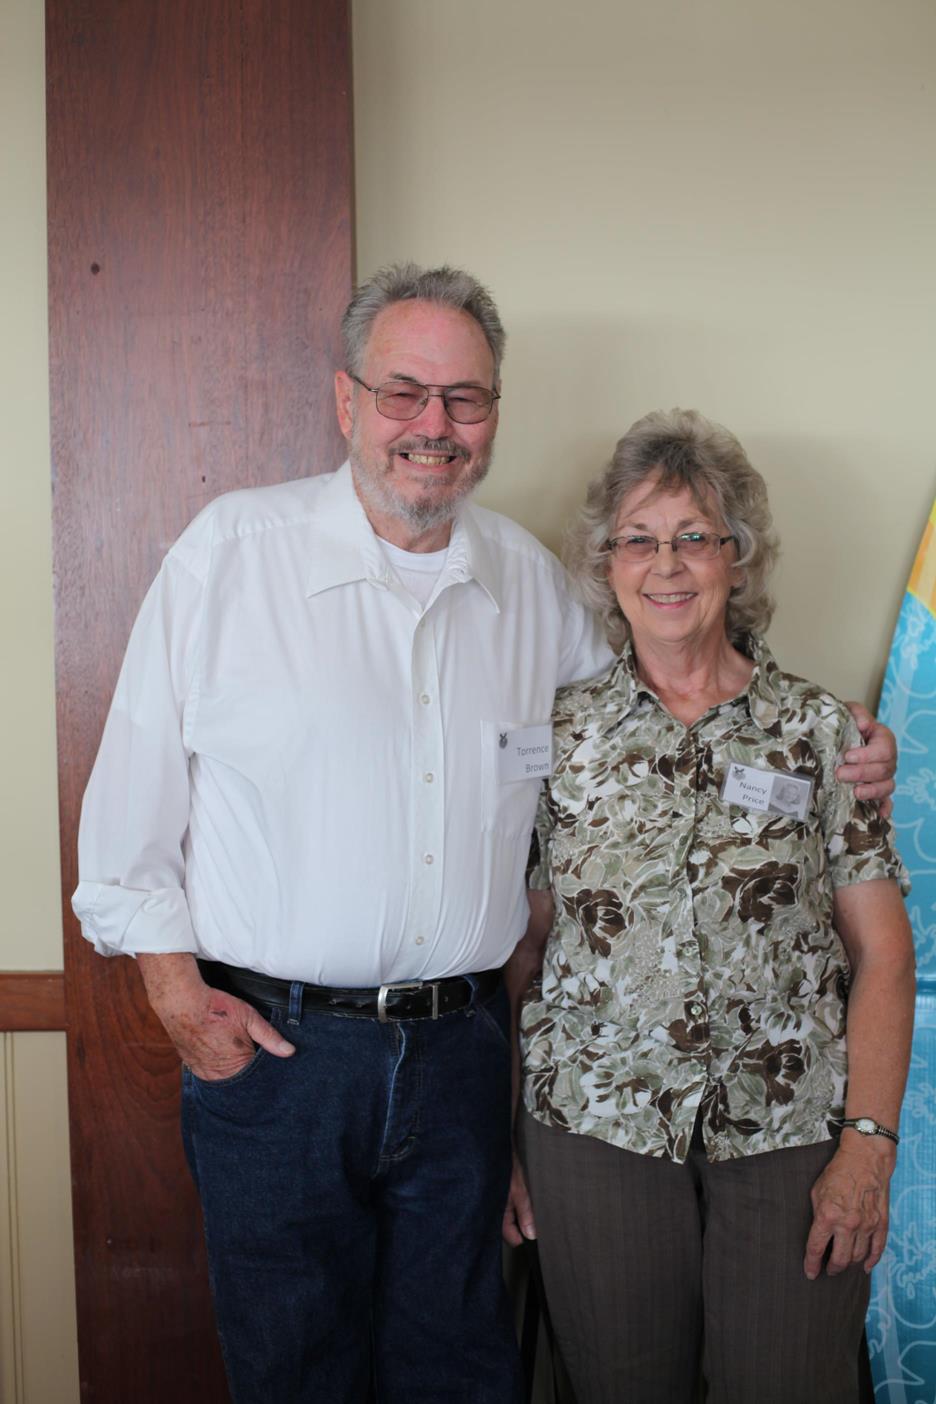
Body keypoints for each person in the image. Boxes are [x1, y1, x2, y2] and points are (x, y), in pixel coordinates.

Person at [71, 267, 896, 1404]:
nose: (434, 425)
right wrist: (175, 996)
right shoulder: (232, 553)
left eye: (465, 398)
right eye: (404, 392)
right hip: (279, 1055)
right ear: (347, 401)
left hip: (464, 1056)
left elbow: (671, 706)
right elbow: (130, 803)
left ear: (494, 414)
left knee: (459, 1369)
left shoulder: (529, 585)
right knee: (293, 1368)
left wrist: (839, 742)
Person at [504, 408, 915, 1404]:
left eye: (695, 536)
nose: (667, 564)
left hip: (789, 1134)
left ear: (739, 556)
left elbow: (884, 955)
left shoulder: (823, 733)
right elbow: (522, 952)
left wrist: (868, 1145)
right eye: (639, 539)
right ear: (606, 563)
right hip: (594, 1134)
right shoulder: (553, 736)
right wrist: (504, 1145)